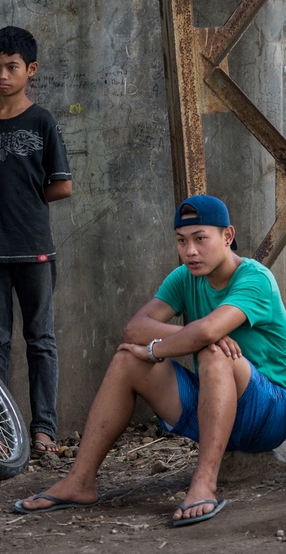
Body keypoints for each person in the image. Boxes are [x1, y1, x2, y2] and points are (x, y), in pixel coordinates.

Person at [15, 195, 286, 526]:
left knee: (213, 353)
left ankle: (204, 484)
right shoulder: (184, 277)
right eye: (182, 241)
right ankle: (79, 482)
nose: (190, 251)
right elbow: (135, 328)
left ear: (227, 236)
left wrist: (167, 347)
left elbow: (202, 334)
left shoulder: (254, 278)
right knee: (127, 360)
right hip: (213, 405)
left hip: (270, 412)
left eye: (201, 239)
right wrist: (196, 331)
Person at [0, 26, 72, 456]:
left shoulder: (42, 121)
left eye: (12, 67)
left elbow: (62, 186)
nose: (2, 75)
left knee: (40, 339)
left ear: (31, 70)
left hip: (34, 249)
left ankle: (44, 430)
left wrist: (25, 199)